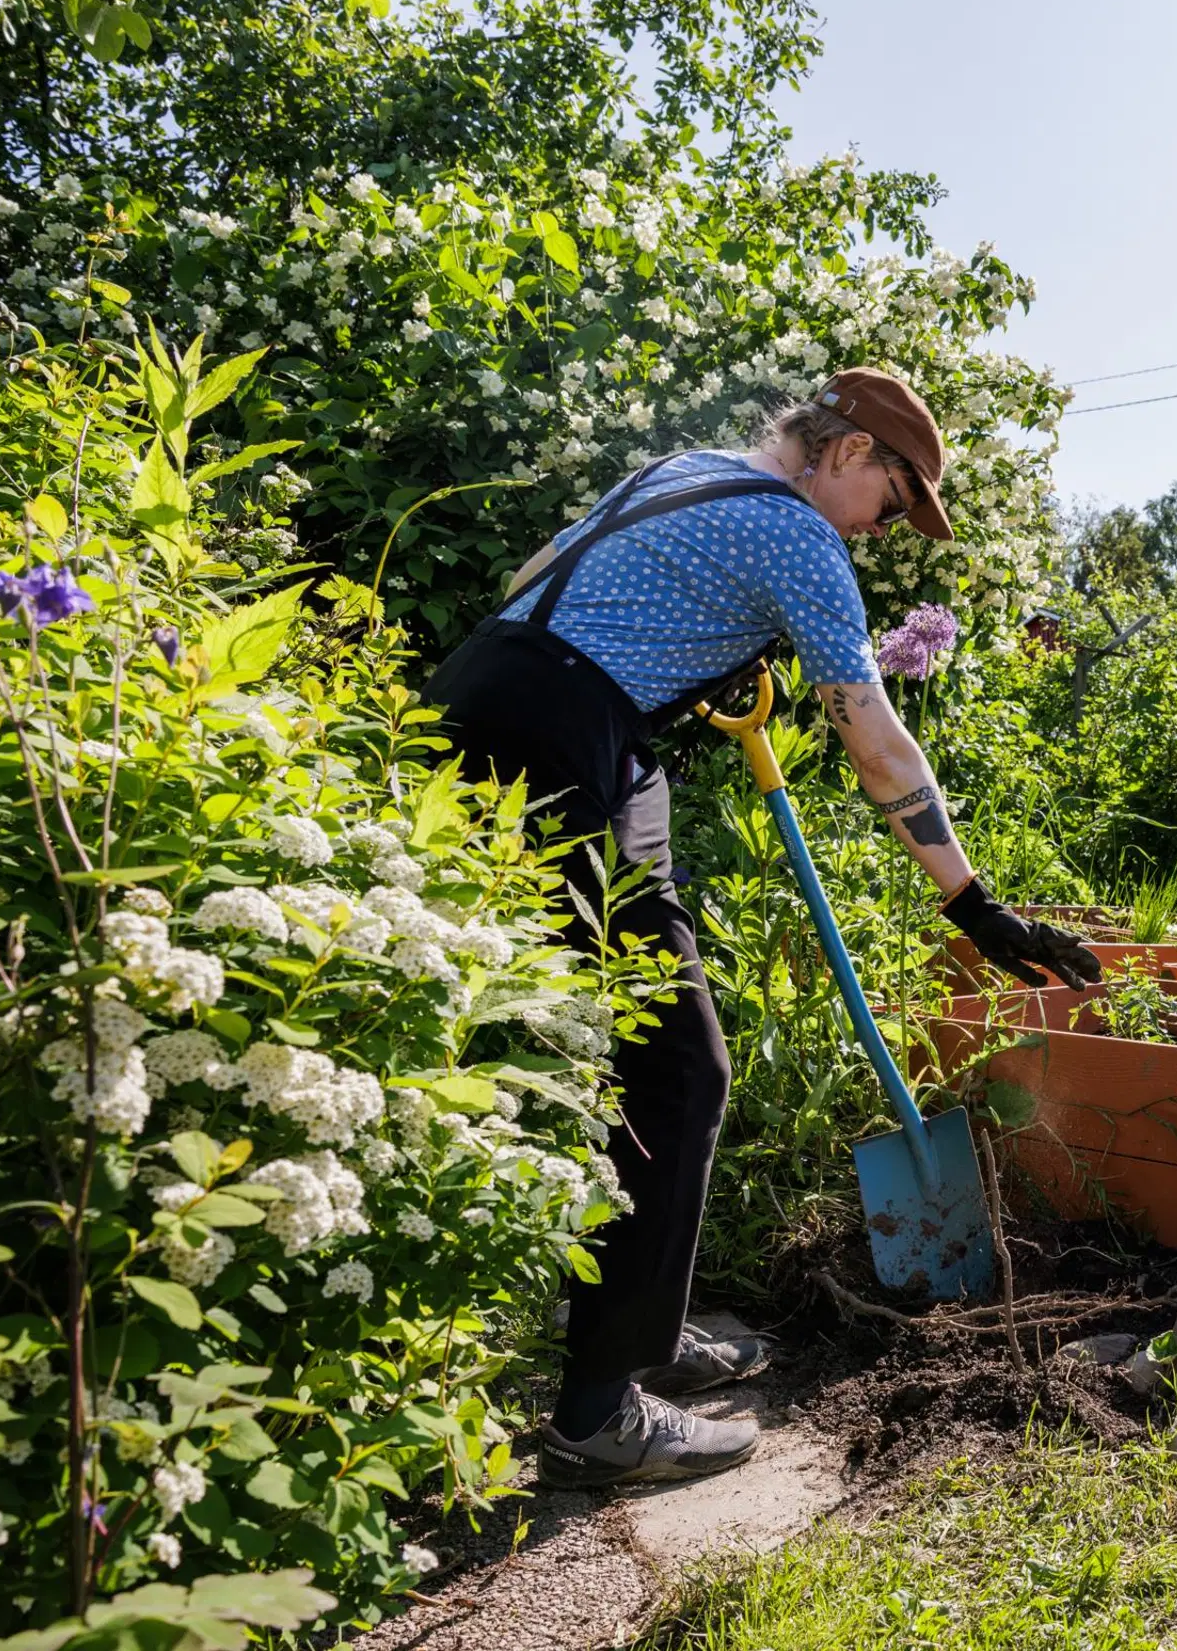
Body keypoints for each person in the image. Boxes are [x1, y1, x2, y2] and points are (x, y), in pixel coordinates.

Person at [420, 368, 1102, 1487]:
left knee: (648, 1050)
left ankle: (635, 1328)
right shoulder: (796, 538)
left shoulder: (685, 473)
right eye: (891, 499)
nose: (884, 530)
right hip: (558, 740)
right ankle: (596, 1416)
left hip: (539, 712)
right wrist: (972, 904)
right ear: (844, 454)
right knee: (676, 1067)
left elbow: (532, 576)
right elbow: (872, 734)